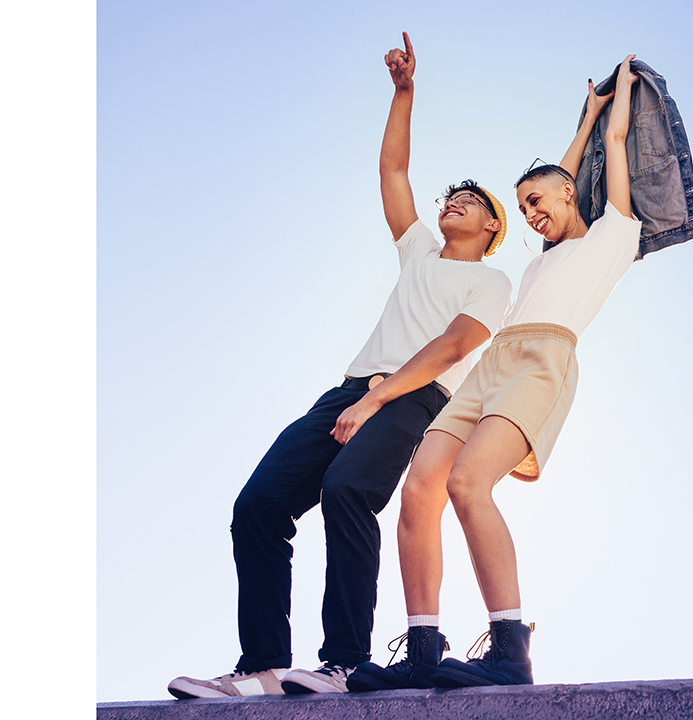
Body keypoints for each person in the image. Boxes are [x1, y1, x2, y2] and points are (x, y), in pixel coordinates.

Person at [167, 32, 514, 699]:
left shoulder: (491, 282)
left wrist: (378, 402)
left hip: (413, 399)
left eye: (473, 201)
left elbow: (452, 347)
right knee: (259, 505)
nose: (455, 201)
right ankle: (264, 664)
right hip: (349, 391)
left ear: (493, 228)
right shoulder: (419, 253)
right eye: (452, 196)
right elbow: (393, 174)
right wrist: (405, 93)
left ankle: (345, 663)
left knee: (349, 492)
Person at [347, 55, 643, 692]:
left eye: (535, 202)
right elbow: (560, 175)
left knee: (469, 485)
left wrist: (613, 110)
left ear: (569, 193)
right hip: (491, 365)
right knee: (422, 486)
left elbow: (610, 147)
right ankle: (423, 649)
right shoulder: (547, 254)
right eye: (520, 207)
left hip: (540, 362)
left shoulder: (613, 236)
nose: (530, 215)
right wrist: (584, 114)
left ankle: (511, 651)